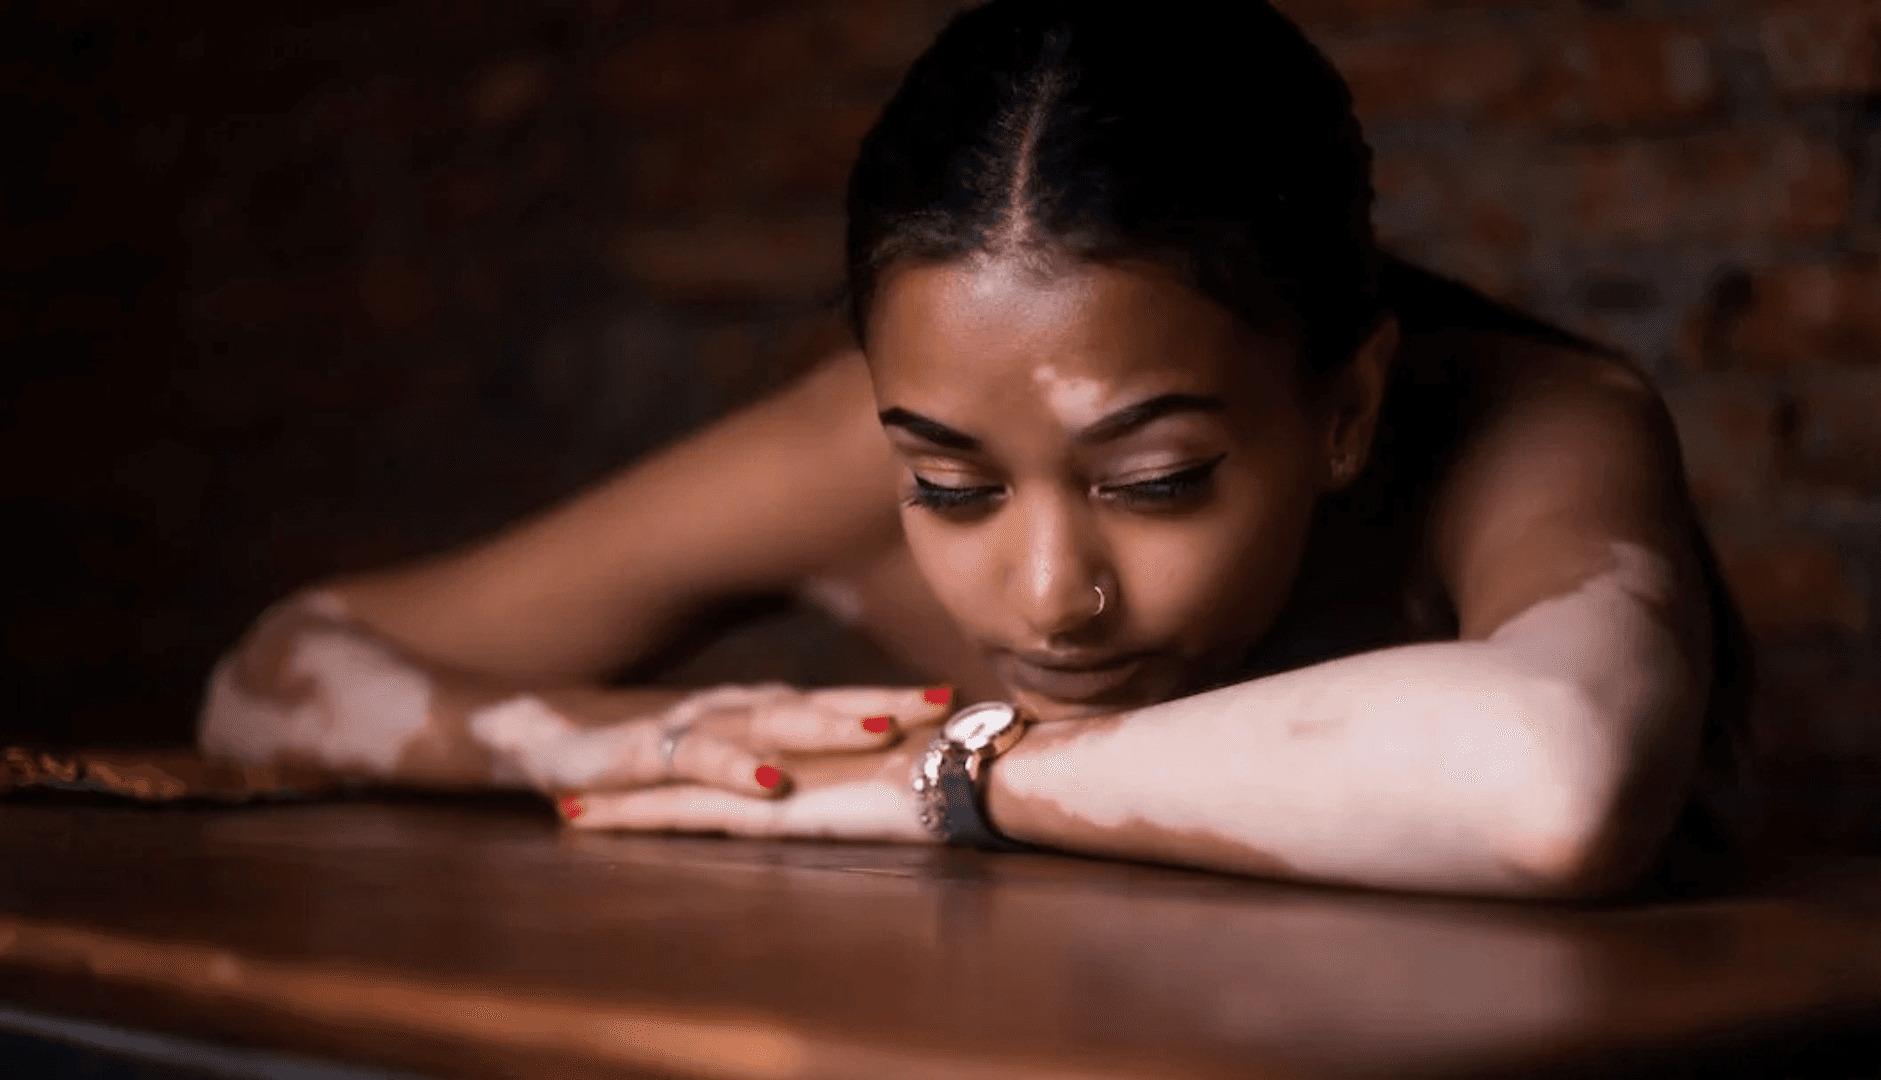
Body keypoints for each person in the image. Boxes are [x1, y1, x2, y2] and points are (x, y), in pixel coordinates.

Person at [199, 0, 1759, 901]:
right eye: (946, 486)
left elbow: (1558, 780)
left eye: (1155, 482)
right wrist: (573, 741)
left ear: (1344, 409)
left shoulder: (1532, 426)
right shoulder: (835, 447)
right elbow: (279, 674)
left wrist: (943, 776)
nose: (1045, 596)